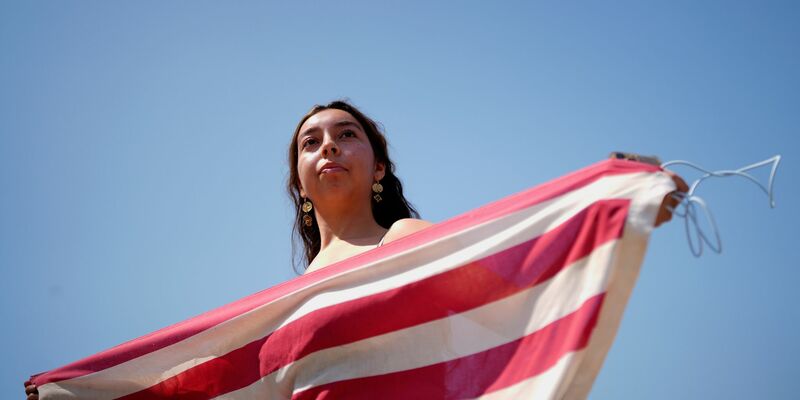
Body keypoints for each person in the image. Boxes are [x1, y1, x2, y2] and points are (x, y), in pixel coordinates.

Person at [23, 99, 688, 399]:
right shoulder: (278, 307)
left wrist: (603, 208)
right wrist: (84, 393)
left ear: (377, 171)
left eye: (347, 136)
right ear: (301, 185)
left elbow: (508, 281)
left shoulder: (408, 243)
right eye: (311, 143)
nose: (329, 147)